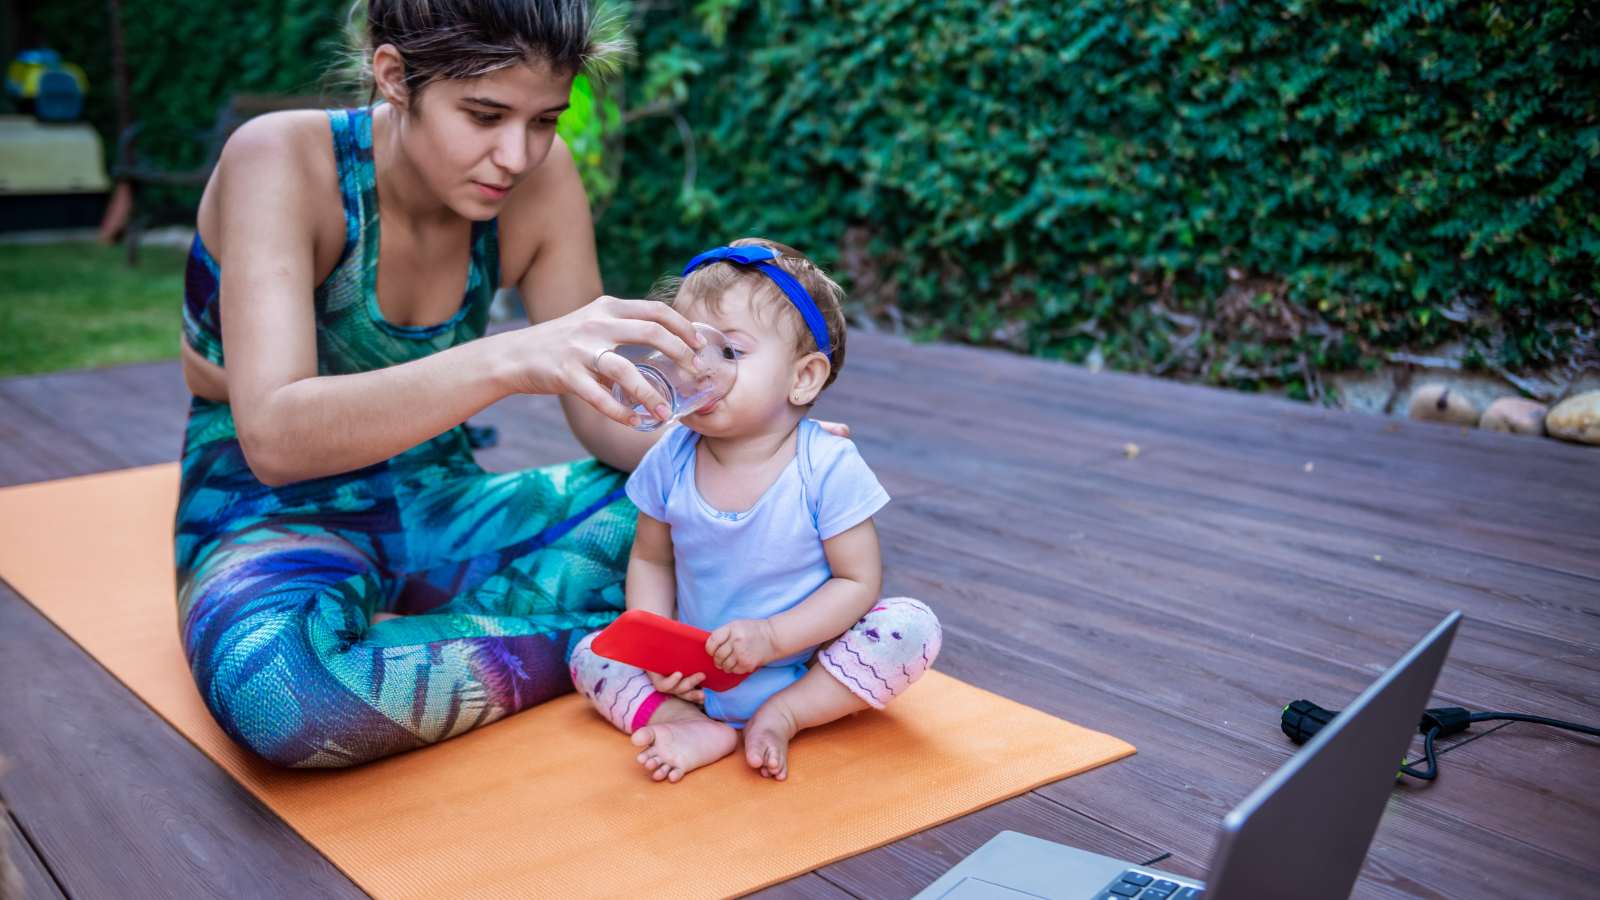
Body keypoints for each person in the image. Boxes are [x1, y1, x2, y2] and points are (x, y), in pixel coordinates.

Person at [172, 0, 845, 768]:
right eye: (485, 115)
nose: (517, 156)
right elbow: (273, 437)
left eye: (544, 121)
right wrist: (510, 357)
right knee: (287, 696)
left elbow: (603, 423)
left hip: (439, 502)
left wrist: (761, 457)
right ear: (395, 77)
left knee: (686, 516)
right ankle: (607, 645)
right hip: (264, 513)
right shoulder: (281, 161)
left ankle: (430, 656)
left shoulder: (539, 182)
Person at [569, 239, 943, 783]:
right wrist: (657, 652)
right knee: (589, 654)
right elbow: (652, 561)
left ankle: (786, 715)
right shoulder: (669, 458)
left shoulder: (826, 464)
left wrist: (772, 639)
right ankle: (684, 721)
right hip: (693, 674)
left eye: (730, 353)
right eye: (686, 348)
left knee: (911, 628)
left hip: (804, 667)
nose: (698, 368)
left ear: (803, 378)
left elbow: (857, 581)